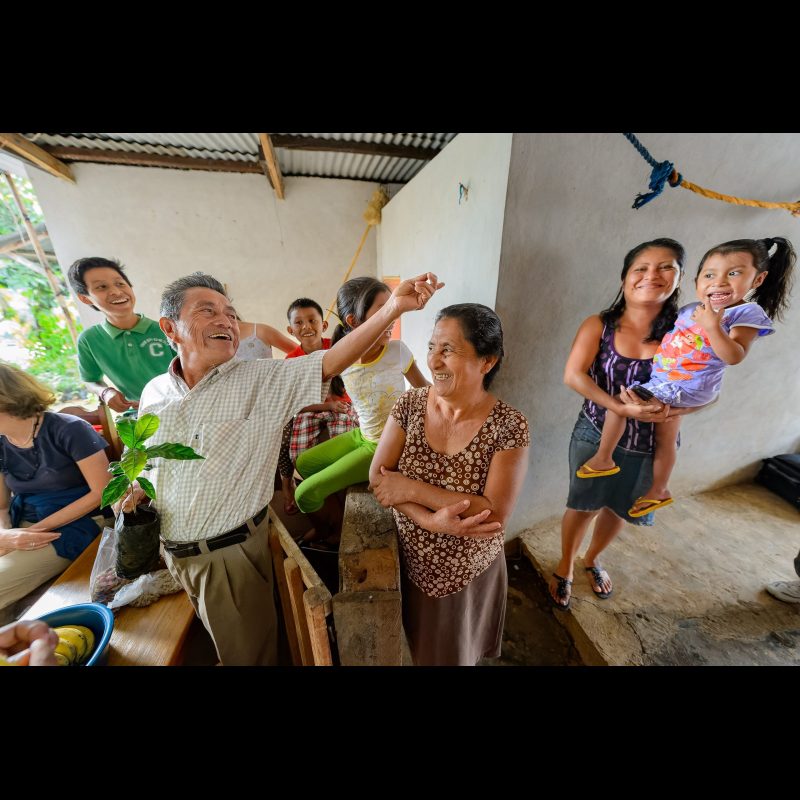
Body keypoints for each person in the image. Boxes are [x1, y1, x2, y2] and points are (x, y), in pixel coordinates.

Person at [123, 270, 442, 666]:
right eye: (208, 311)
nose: (226, 321)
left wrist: (393, 308)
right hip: (173, 553)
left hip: (226, 555)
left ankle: (327, 531)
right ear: (170, 327)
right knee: (224, 637)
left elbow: (329, 362)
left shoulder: (260, 378)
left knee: (248, 654)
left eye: (231, 313)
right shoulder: (154, 391)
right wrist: (139, 486)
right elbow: (147, 457)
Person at [578, 237, 796, 519]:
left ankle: (603, 459)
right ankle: (658, 490)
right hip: (667, 383)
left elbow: (734, 355)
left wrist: (713, 326)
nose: (719, 282)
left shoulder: (746, 312)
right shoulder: (691, 309)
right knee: (665, 439)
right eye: (709, 275)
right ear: (696, 281)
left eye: (733, 273)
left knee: (620, 402)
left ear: (758, 279)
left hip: (685, 386)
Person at [370, 303, 529, 666]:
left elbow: (493, 513)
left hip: (468, 573)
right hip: (413, 564)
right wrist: (429, 520)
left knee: (457, 653)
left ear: (487, 361)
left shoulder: (509, 426)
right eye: (431, 347)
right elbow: (379, 478)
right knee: (420, 650)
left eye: (448, 350)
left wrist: (411, 489)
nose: (433, 361)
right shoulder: (410, 405)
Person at [550, 238, 699, 610]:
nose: (652, 275)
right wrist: (619, 406)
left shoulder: (685, 336)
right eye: (641, 268)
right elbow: (573, 375)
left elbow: (705, 388)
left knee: (619, 507)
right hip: (595, 431)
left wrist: (679, 412)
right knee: (583, 504)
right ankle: (566, 565)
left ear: (679, 279)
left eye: (665, 267)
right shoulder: (599, 326)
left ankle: (592, 559)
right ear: (624, 278)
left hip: (651, 444)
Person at [293, 278, 429, 545]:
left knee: (304, 495)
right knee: (303, 464)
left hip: (383, 446)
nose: (392, 319)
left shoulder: (397, 351)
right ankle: (334, 522)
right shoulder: (340, 360)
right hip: (363, 434)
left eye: (393, 309)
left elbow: (426, 392)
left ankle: (331, 532)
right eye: (384, 310)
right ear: (353, 321)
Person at [0, 365, 110, 621]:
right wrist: (5, 536)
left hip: (78, 525)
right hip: (22, 524)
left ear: (6, 399)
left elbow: (102, 492)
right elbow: (2, 506)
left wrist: (29, 535)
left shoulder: (70, 429)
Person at [277, 298, 355, 515]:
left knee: (344, 446)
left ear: (324, 325)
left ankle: (342, 487)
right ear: (290, 330)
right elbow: (293, 403)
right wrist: (326, 406)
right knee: (297, 453)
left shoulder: (338, 347)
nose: (306, 327)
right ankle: (295, 487)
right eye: (299, 323)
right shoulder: (291, 360)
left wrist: (336, 406)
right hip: (310, 410)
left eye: (312, 320)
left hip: (342, 407)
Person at [68, 257, 174, 412]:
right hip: (139, 415)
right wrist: (105, 392)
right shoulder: (89, 340)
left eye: (120, 284)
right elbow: (90, 380)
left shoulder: (167, 329)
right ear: (85, 298)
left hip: (181, 407)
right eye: (102, 287)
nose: (116, 292)